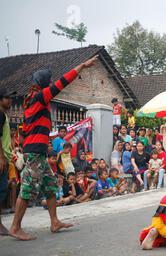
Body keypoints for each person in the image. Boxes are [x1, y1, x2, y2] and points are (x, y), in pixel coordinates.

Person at [9, 55, 98, 240]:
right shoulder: (40, 97)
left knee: (50, 186)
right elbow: (62, 82)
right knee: (27, 189)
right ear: (43, 84)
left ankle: (54, 221)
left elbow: (25, 130)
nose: (51, 84)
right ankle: (16, 227)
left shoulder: (31, 101)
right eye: (48, 82)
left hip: (37, 152)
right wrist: (81, 65)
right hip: (34, 153)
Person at [0, 89, 15, 235]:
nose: (10, 100)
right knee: (2, 189)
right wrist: (1, 157)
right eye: (6, 97)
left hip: (5, 157)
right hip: (1, 158)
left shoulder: (4, 115)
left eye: (10, 98)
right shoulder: (0, 115)